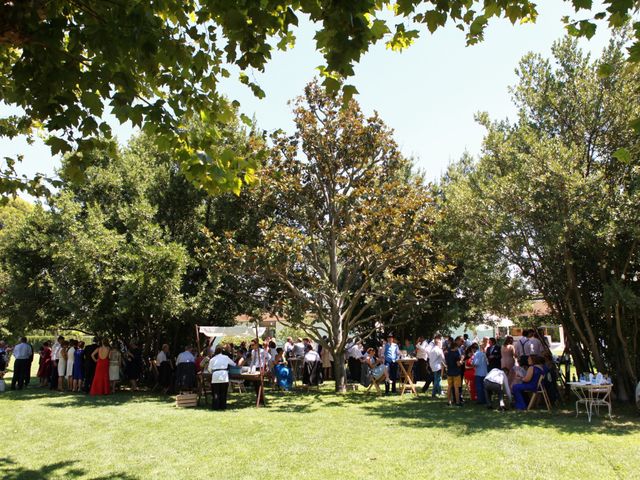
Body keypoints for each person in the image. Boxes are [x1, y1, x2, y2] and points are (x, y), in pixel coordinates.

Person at [207, 346, 237, 410]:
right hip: (224, 375)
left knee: (216, 392)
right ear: (221, 351)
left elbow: (209, 369)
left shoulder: (212, 359)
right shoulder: (225, 357)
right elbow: (233, 364)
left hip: (215, 375)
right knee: (223, 392)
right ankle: (223, 406)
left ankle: (216, 406)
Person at [445, 337, 463, 406]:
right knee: (456, 388)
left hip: (449, 372)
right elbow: (458, 364)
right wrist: (461, 361)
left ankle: (448, 401)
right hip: (456, 372)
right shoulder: (456, 354)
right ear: (455, 347)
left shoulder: (447, 353)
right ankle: (458, 402)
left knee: (449, 387)